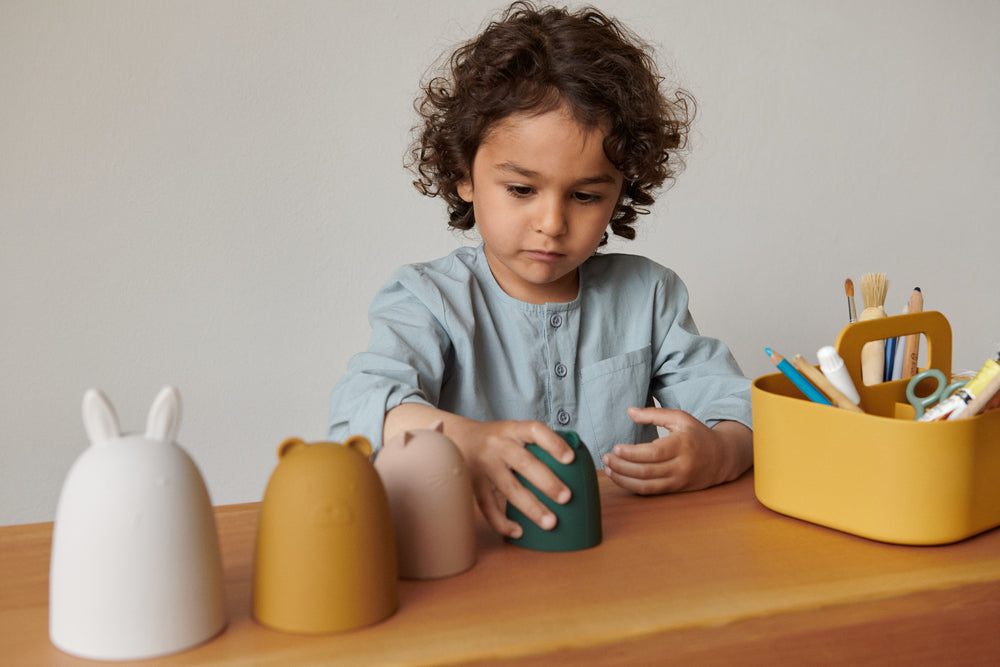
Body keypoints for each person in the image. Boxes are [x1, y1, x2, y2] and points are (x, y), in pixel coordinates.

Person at [329, 1, 752, 539]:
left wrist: (722, 450)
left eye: (585, 195)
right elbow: (361, 407)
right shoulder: (427, 299)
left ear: (621, 191)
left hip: (620, 555)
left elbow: (737, 403)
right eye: (522, 189)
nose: (552, 223)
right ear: (464, 174)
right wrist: (467, 441)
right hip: (478, 556)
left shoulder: (649, 295)